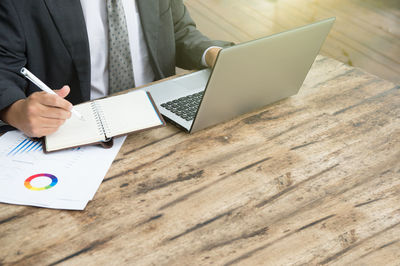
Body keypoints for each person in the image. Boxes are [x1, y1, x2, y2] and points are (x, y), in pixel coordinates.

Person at [0, 0, 233, 137]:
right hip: (78, 128)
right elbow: (4, 70)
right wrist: (16, 110)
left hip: (161, 119)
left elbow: (179, 32)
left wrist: (213, 54)